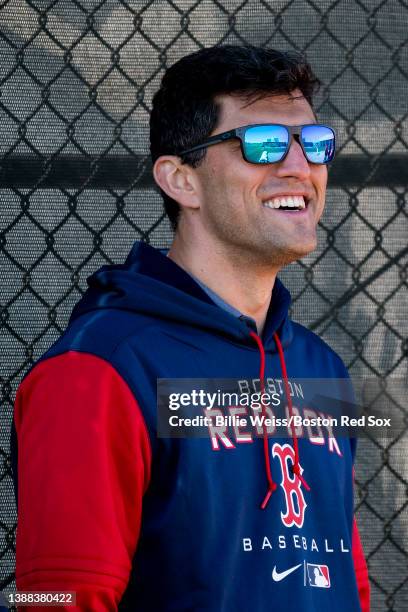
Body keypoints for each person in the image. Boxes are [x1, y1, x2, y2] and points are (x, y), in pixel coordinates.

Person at [11, 45, 370, 611]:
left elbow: (347, 580)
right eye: (264, 144)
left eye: (313, 143)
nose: (299, 166)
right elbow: (56, 596)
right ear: (181, 180)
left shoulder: (318, 367)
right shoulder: (99, 371)